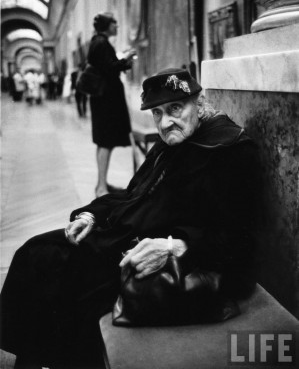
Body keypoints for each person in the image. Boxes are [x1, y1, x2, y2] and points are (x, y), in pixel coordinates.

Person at [0, 68, 261, 369]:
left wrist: (174, 246)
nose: (165, 122)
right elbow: (132, 194)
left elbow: (238, 238)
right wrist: (92, 214)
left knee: (70, 284)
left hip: (163, 257)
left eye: (175, 108)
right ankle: (31, 361)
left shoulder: (231, 150)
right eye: (158, 113)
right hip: (125, 237)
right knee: (34, 253)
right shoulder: (170, 143)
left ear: (200, 104)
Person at [88, 12, 134, 197]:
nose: (117, 26)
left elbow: (106, 65)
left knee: (104, 142)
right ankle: (100, 188)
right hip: (106, 100)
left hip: (104, 99)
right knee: (106, 142)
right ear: (107, 25)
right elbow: (109, 68)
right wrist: (126, 60)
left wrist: (122, 61)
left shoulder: (99, 42)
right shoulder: (101, 42)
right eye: (114, 23)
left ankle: (101, 183)